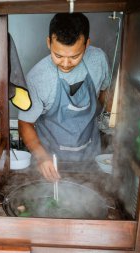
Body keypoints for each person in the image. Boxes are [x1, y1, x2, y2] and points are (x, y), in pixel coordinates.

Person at [18, 13, 110, 182]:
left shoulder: (98, 60)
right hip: (51, 160)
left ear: (87, 44)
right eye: (58, 55)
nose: (66, 64)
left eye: (75, 56)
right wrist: (41, 157)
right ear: (48, 43)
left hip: (90, 157)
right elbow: (25, 123)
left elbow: (104, 93)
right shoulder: (38, 78)